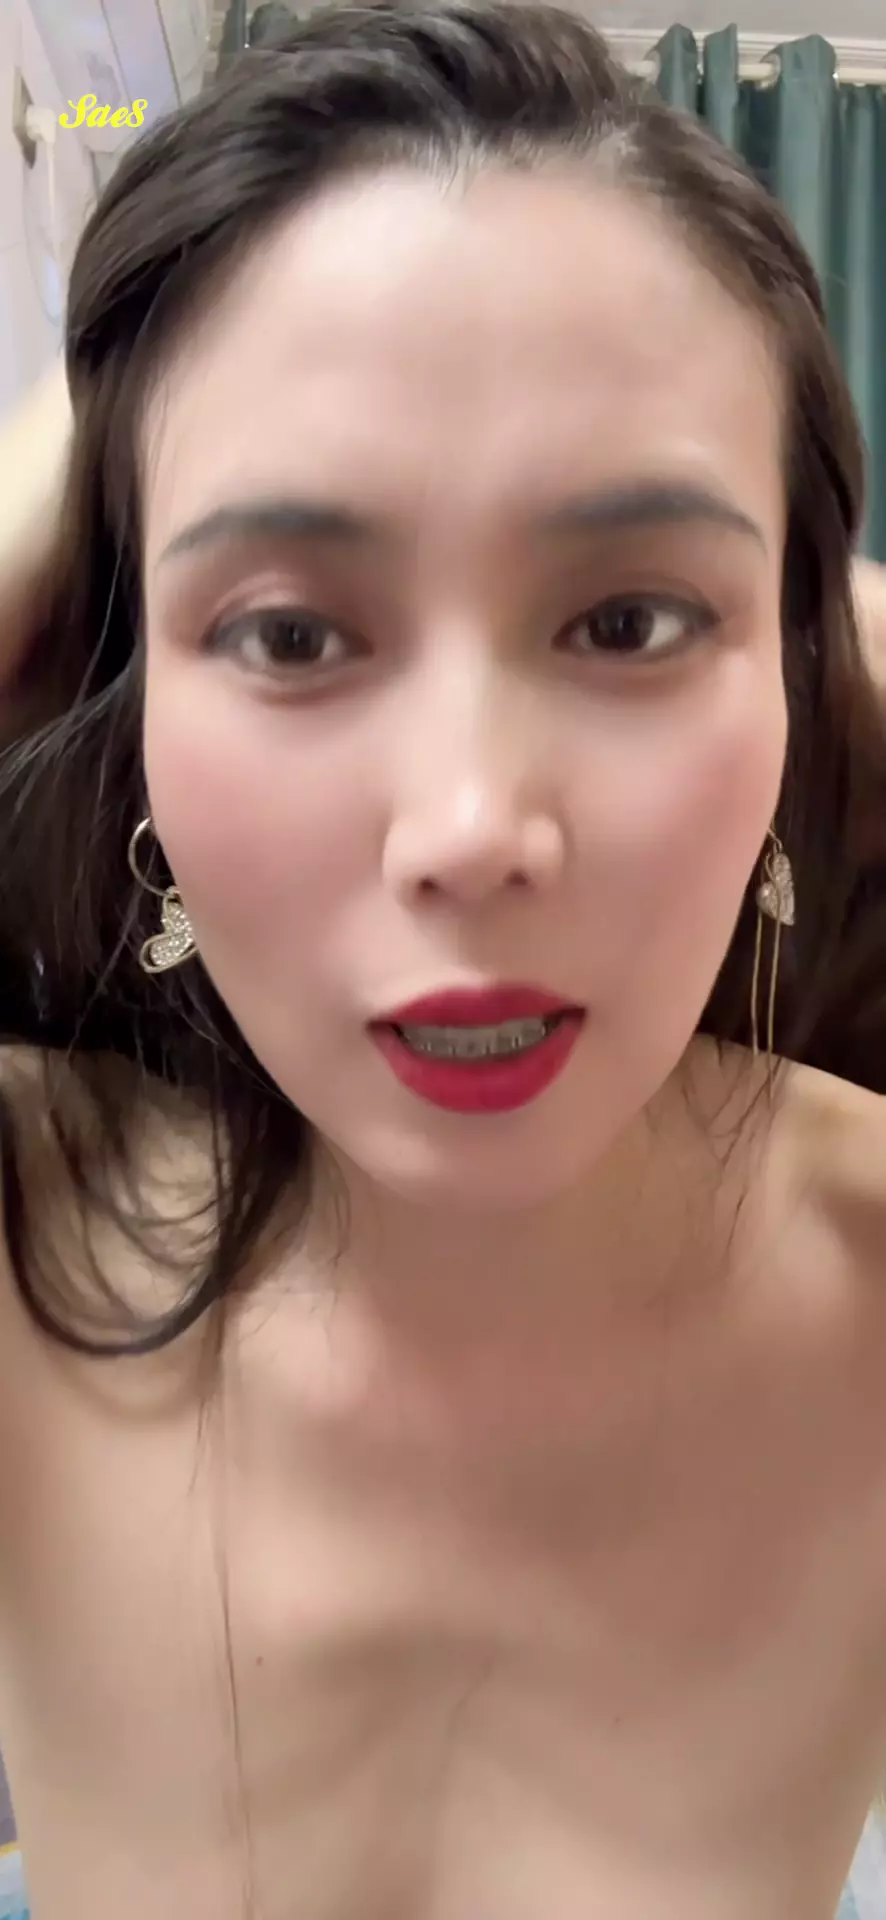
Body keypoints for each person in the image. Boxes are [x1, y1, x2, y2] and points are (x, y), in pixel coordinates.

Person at [1, 4, 886, 1916]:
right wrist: (100, 427)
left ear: (803, 683)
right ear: (129, 703)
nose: (470, 825)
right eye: (289, 635)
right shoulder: (25, 1234)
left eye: (630, 620)